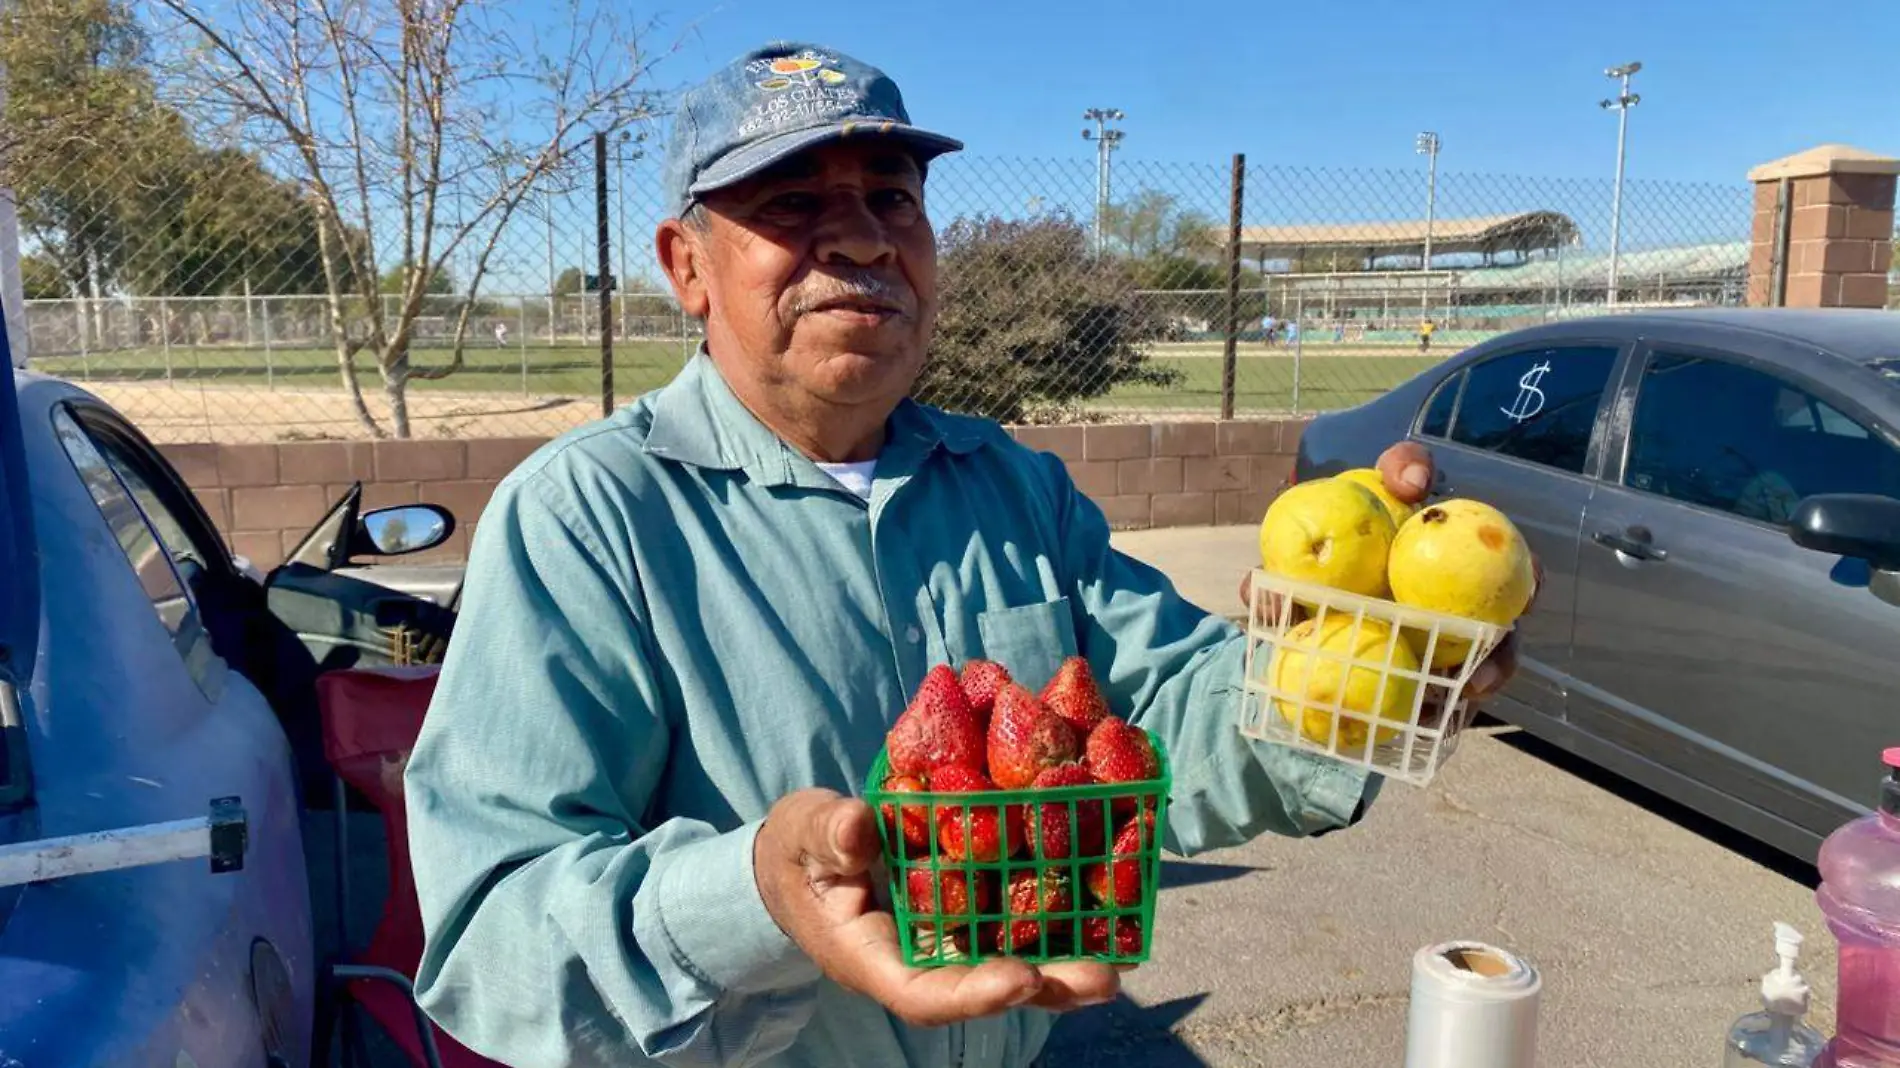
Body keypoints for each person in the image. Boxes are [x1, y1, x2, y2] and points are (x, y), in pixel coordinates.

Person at [402, 41, 1524, 1068]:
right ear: (686, 267)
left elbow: (1166, 713)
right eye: (793, 203)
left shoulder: (1012, 488)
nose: (860, 236)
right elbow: (492, 930)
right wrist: (753, 892)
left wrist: (1365, 668)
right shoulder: (588, 518)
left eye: (892, 197)